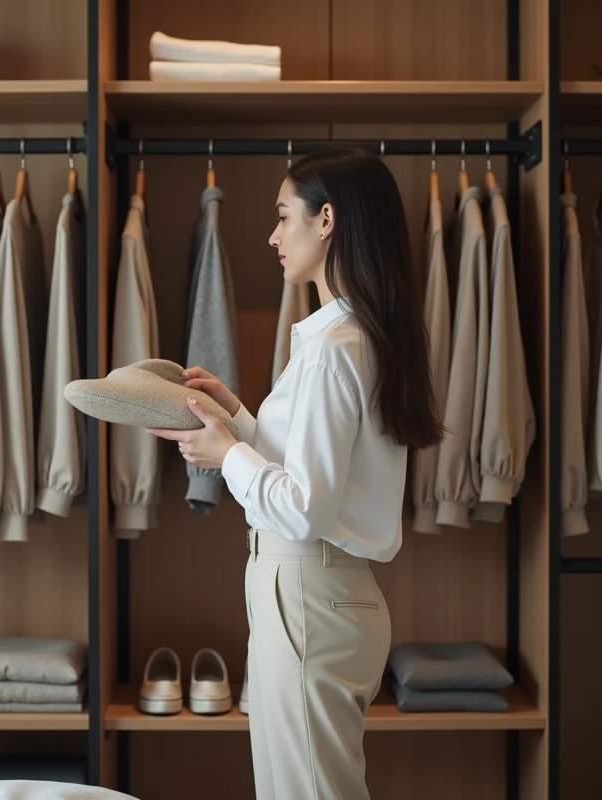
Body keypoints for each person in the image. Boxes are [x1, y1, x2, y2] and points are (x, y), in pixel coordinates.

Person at [147, 148, 442, 799]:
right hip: (327, 597)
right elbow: (329, 475)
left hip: (307, 595)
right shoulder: (359, 338)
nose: (274, 235)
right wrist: (240, 423)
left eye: (285, 217)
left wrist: (227, 454)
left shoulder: (332, 351)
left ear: (327, 219)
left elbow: (307, 507)